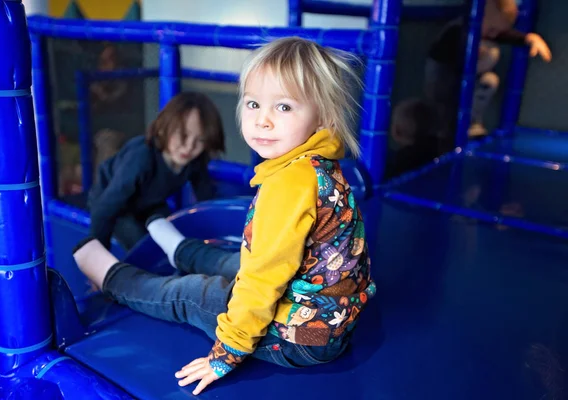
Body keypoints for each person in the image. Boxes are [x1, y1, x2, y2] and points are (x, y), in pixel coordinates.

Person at [73, 37, 376, 395]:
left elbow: (262, 284)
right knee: (235, 262)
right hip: (331, 316)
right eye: (253, 104)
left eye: (283, 107)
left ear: (323, 115)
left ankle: (110, 276)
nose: (262, 120)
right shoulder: (320, 165)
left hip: (302, 337)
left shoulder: (289, 186)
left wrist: (226, 353)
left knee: (191, 293)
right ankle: (180, 250)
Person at [87, 91, 225, 250]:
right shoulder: (141, 158)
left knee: (175, 237)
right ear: (163, 128)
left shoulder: (194, 161)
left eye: (200, 140)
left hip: (149, 203)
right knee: (143, 244)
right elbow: (104, 208)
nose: (189, 147)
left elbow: (206, 198)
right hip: (116, 205)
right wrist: (97, 257)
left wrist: (217, 234)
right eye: (183, 135)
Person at [424, 0, 551, 141]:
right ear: (479, 16)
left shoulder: (486, 30)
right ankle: (444, 131)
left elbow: (505, 36)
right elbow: (441, 56)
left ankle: (471, 123)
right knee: (443, 115)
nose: (493, 35)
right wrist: (468, 53)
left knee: (490, 80)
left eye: (497, 31)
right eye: (491, 29)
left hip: (466, 82)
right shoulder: (457, 30)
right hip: (444, 82)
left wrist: (528, 39)